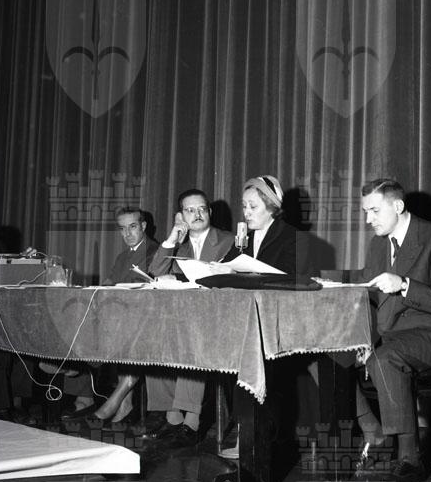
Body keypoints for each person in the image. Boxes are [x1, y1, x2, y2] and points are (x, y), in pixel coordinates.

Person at [354, 178, 431, 482]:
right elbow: (370, 299)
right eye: (365, 212)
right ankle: (372, 432)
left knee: (384, 358)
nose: (368, 220)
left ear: (398, 206)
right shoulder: (378, 244)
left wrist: (404, 285)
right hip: (393, 335)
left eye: (375, 211)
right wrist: (363, 339)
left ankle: (409, 458)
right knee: (330, 353)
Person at [219, 175, 314, 458]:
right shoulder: (243, 239)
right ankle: (244, 427)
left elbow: (290, 281)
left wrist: (245, 272)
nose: (246, 213)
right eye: (244, 206)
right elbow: (224, 267)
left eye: (253, 207)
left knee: (252, 358)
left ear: (271, 207)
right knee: (225, 352)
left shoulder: (293, 237)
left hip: (281, 322)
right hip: (248, 321)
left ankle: (255, 436)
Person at [142, 189, 234, 446]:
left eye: (202, 209)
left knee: (190, 340)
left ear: (210, 212)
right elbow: (156, 270)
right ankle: (172, 417)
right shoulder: (179, 247)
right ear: (181, 215)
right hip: (183, 317)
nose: (197, 214)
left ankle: (191, 422)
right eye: (190, 210)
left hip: (217, 319)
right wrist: (173, 235)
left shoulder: (228, 240)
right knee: (153, 338)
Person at [63, 207, 159, 427]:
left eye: (132, 227)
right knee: (79, 314)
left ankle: (80, 366)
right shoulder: (123, 256)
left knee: (108, 328)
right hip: (119, 313)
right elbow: (110, 282)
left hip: (143, 316)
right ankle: (78, 366)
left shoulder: (154, 250)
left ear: (143, 226)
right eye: (122, 229)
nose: (127, 233)